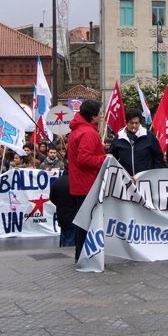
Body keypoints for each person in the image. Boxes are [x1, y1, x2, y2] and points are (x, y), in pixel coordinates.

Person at [67, 99, 106, 262]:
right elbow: (84, 158)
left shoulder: (78, 130)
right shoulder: (88, 133)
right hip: (87, 184)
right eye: (100, 112)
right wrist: (105, 158)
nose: (102, 115)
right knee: (88, 223)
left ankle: (81, 255)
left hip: (79, 183)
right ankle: (86, 256)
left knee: (82, 223)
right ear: (93, 115)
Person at [109, 108, 165, 175]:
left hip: (145, 179)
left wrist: (156, 174)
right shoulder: (119, 138)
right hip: (126, 180)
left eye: (136, 123)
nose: (134, 126)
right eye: (131, 123)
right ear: (126, 122)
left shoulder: (149, 136)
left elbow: (158, 157)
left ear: (140, 123)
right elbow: (112, 158)